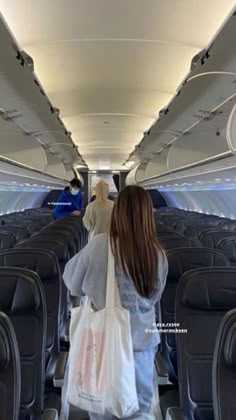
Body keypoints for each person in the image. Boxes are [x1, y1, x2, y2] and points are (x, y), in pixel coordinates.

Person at [63, 185, 168, 419]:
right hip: (142, 344)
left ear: (117, 213)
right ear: (147, 215)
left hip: (102, 342)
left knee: (102, 407)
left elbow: (71, 282)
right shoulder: (157, 253)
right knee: (139, 410)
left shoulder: (99, 245)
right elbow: (154, 297)